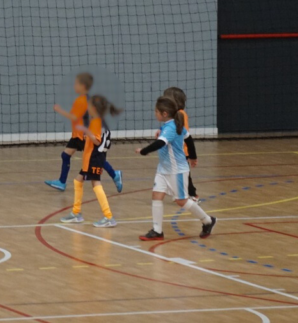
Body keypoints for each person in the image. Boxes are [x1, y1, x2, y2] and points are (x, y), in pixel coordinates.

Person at [137, 97, 216, 241]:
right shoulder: (170, 125)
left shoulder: (171, 128)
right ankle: (157, 231)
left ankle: (208, 221)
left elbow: (161, 143)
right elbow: (189, 139)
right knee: (156, 195)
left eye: (156, 111)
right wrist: (193, 156)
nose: (155, 114)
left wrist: (144, 151)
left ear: (164, 113)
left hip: (176, 170)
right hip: (163, 169)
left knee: (181, 201)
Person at [59, 95, 121, 227]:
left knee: (96, 184)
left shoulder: (96, 122)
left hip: (94, 158)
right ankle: (76, 213)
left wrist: (87, 132)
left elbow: (97, 141)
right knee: (78, 180)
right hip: (92, 158)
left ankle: (108, 216)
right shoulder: (100, 121)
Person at [163, 87, 197, 200]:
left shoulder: (181, 114)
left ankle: (193, 195)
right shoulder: (174, 115)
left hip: (181, 151)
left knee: (185, 175)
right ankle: (177, 192)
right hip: (175, 151)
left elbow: (183, 133)